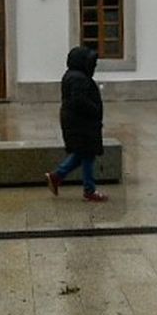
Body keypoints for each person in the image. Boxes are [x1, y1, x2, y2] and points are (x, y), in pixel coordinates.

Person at [47, 45, 108, 202]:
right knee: (86, 154)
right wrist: (94, 110)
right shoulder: (77, 78)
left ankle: (58, 176)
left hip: (79, 123)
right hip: (81, 124)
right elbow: (78, 101)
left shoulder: (74, 75)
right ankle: (88, 189)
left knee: (84, 154)